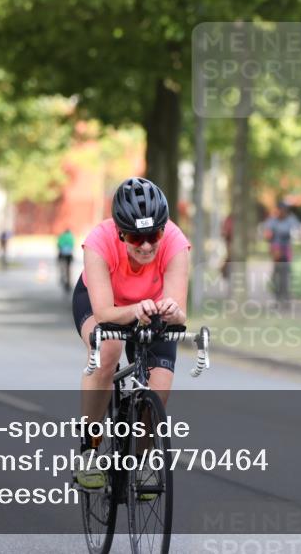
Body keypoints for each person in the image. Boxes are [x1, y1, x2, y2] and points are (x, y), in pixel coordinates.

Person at [72, 177, 190, 490]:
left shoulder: (176, 243)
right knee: (107, 349)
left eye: (154, 235)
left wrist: (172, 312)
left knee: (160, 383)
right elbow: (104, 314)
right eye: (137, 239)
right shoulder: (99, 242)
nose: (147, 245)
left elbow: (179, 310)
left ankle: (139, 463)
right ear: (120, 233)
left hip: (150, 309)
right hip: (104, 303)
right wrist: (135, 309)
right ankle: (89, 450)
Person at [262, 201, 300, 302]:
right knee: (277, 272)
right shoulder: (273, 220)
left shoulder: (291, 220)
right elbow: (267, 233)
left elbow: (296, 231)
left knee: (286, 273)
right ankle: (277, 296)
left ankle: (285, 296)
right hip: (276, 249)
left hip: (286, 248)